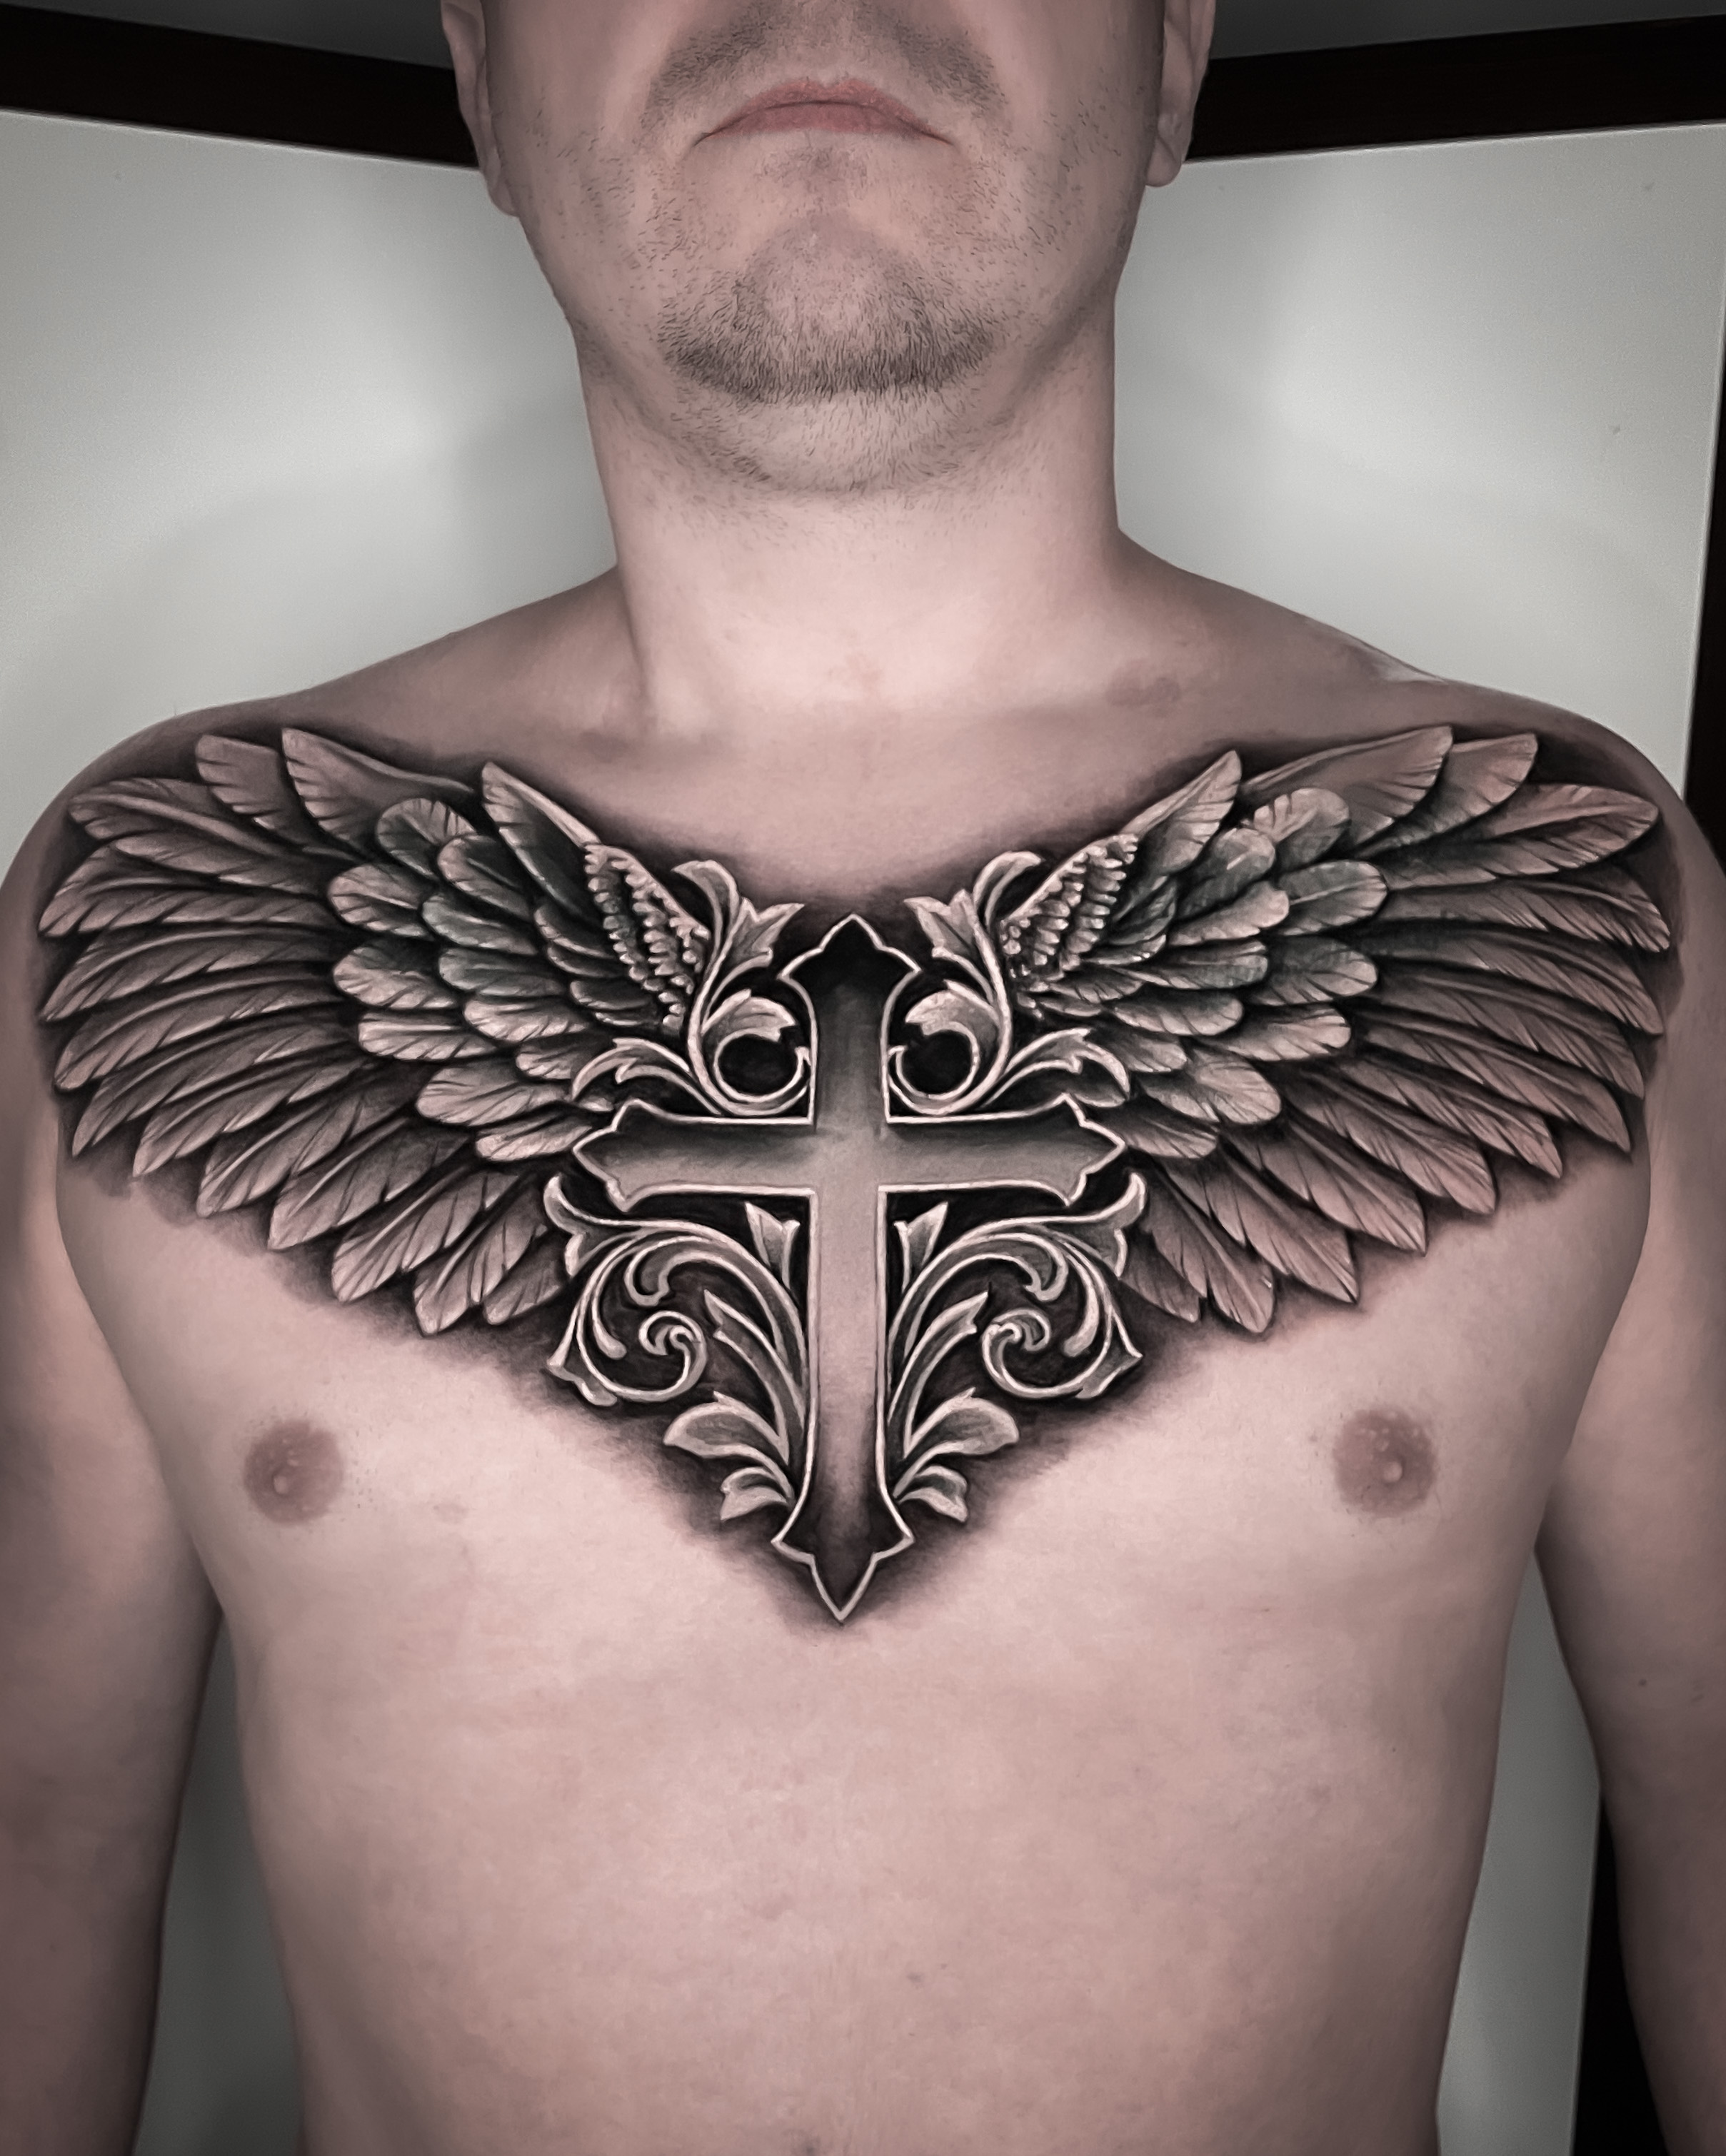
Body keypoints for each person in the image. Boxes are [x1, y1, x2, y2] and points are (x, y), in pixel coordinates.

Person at [2, 0, 1722, 2149]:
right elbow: (36, 1855)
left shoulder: (1566, 889)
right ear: (480, 79)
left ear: (1175, 58)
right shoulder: (149, 905)